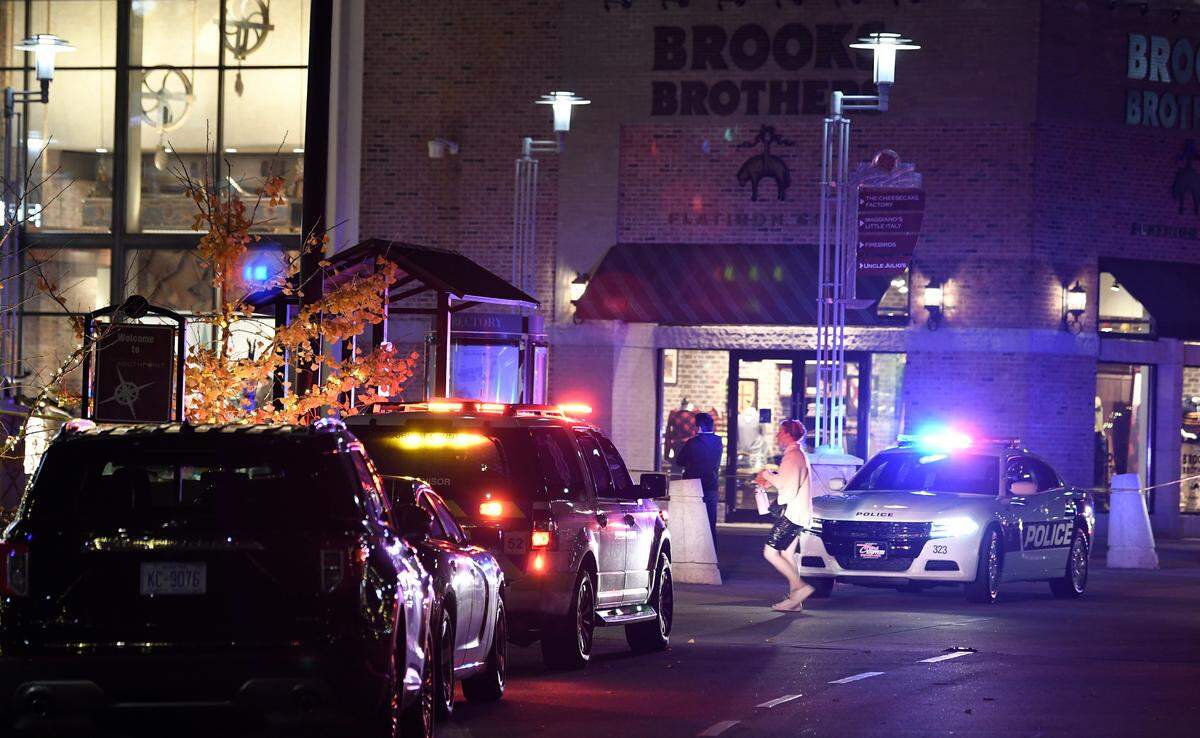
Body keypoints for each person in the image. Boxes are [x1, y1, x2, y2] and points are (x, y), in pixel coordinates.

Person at [755, 419, 814, 612]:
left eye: (780, 432)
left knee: (770, 552)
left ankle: (800, 587)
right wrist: (772, 477)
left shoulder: (792, 456)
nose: (777, 436)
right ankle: (795, 601)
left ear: (788, 434)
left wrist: (766, 475)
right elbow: (789, 481)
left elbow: (786, 489)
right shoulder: (798, 455)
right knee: (788, 554)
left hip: (793, 514)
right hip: (801, 513)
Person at [676, 412, 723, 545]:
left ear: (699, 427)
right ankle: (711, 552)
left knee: (693, 521)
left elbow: (679, 461)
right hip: (711, 485)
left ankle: (694, 551)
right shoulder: (718, 442)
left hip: (693, 485)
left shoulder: (692, 443)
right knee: (710, 522)